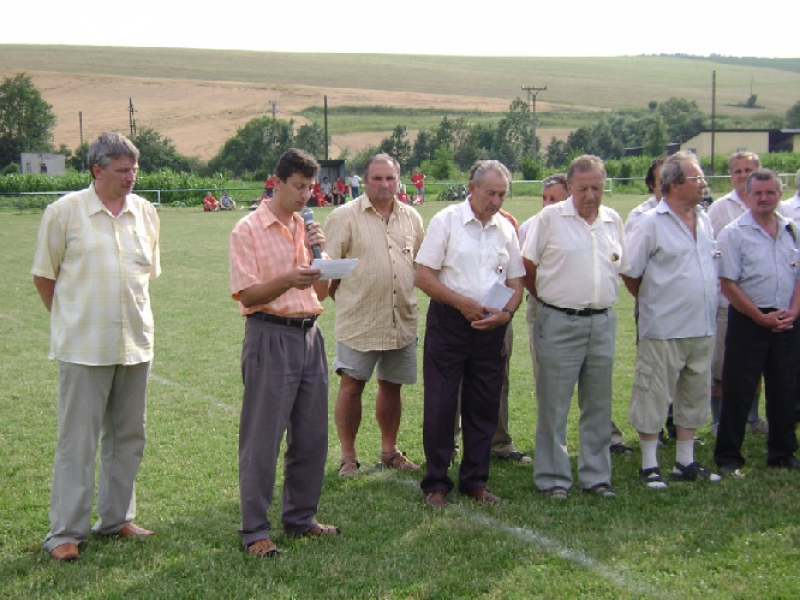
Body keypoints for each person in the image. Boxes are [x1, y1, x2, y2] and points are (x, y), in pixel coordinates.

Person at [32, 131, 160, 561]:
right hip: (83, 348)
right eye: (123, 171)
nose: (131, 179)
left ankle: (116, 519)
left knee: (128, 435)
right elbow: (44, 277)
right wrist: (70, 319)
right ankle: (65, 532)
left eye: (134, 171)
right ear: (97, 170)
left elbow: (146, 276)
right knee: (77, 442)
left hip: (135, 343)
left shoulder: (145, 213)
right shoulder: (63, 212)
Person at [229, 148, 339, 558]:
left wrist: (320, 261)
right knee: (262, 439)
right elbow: (247, 294)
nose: (306, 196)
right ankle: (254, 530)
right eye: (298, 186)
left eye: (311, 187)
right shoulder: (248, 229)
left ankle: (300, 518)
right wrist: (289, 278)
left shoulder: (306, 229)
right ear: (277, 182)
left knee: (311, 436)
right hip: (269, 335)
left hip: (310, 335)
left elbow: (319, 293)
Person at [415, 159, 524, 507]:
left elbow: (516, 281)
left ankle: (475, 481)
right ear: (472, 187)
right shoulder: (446, 221)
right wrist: (461, 303)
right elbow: (423, 275)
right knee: (441, 405)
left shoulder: (506, 229)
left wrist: (505, 313)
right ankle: (436, 483)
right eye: (490, 193)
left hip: (492, 328)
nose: (495, 201)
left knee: (484, 406)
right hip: (450, 322)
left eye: (502, 195)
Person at [522, 155, 625, 500]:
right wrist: (549, 300)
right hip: (559, 321)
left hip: (602, 322)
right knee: (554, 404)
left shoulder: (612, 220)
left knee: (598, 403)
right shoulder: (550, 219)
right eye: (583, 188)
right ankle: (553, 478)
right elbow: (527, 265)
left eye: (597, 187)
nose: (591, 195)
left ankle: (596, 476)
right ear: (570, 187)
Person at [621, 152, 721, 489]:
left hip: (702, 325)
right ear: (675, 185)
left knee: (693, 394)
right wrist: (656, 301)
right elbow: (631, 272)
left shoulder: (704, 220)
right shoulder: (651, 222)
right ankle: (649, 465)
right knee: (653, 393)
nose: (703, 184)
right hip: (664, 327)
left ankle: (685, 461)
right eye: (697, 179)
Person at [323, 153, 425, 477]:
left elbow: (421, 264)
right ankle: (348, 456)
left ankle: (389, 450)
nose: (384, 184)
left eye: (390, 178)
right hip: (360, 319)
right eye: (377, 178)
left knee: (392, 386)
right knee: (352, 387)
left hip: (401, 319)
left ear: (399, 180)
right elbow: (328, 272)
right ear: (363, 181)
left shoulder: (411, 218)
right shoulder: (343, 217)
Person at [714, 169, 800, 476]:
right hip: (750, 321)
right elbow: (728, 284)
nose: (764, 198)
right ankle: (728, 457)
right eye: (758, 193)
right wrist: (759, 317)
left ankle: (782, 452)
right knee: (739, 391)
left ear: (780, 194)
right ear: (748, 196)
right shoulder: (733, 233)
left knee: (785, 390)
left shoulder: (792, 229)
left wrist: (793, 310)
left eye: (771, 192)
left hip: (787, 321)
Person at [706, 152, 767, 436]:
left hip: (763, 300)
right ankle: (718, 420)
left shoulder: (769, 205)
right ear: (731, 175)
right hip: (726, 301)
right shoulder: (719, 209)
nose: (743, 175)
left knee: (755, 362)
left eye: (748, 170)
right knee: (721, 365)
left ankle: (753, 418)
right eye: (737, 171)